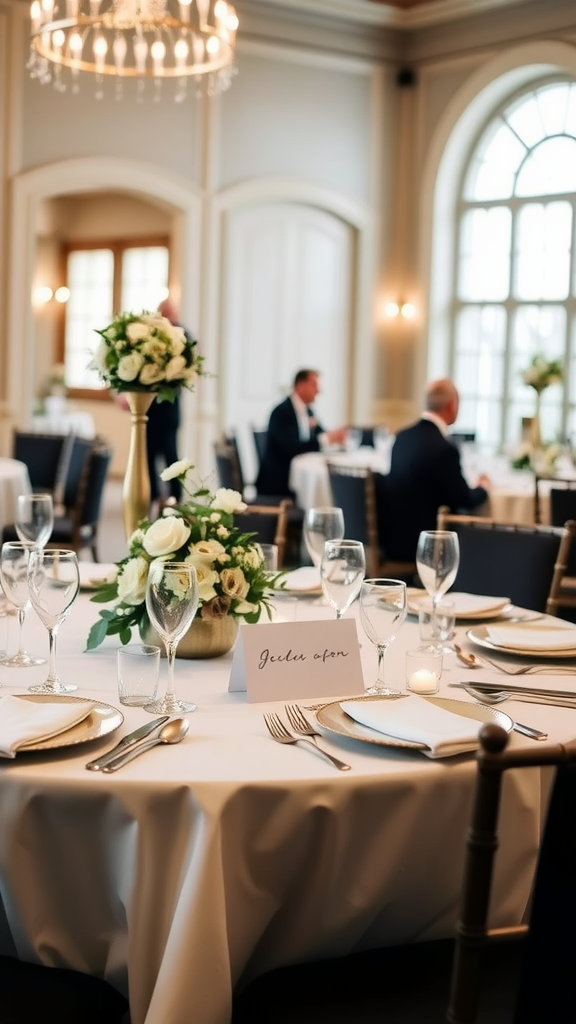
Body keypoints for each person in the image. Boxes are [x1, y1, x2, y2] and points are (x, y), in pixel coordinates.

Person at [376, 377, 491, 562]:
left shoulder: (402, 437)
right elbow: (465, 500)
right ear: (452, 405)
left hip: (393, 538)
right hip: (426, 545)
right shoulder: (444, 449)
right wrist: (483, 487)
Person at [255, 369, 347, 498]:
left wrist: (333, 436)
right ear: (300, 386)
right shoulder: (281, 412)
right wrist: (326, 438)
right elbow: (291, 448)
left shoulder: (308, 411)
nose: (318, 391)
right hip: (278, 484)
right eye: (314, 385)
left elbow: (320, 433)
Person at [146, 297, 188, 506]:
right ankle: (154, 495)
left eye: (171, 312)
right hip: (149, 409)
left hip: (170, 411)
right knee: (149, 455)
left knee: (171, 456)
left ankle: (175, 497)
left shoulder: (184, 335)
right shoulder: (150, 336)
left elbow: (186, 368)